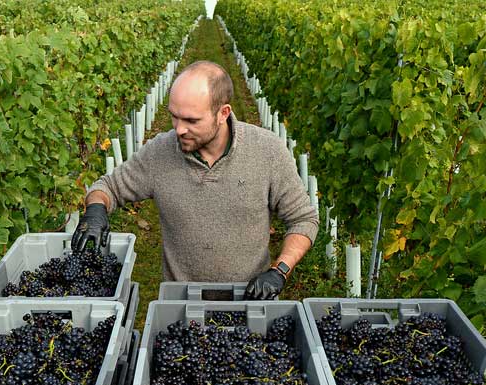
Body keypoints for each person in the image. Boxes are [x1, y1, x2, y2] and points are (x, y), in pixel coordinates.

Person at [72, 60, 319, 300]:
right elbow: (108, 188)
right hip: (181, 305)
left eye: (191, 120)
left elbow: (303, 219)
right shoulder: (160, 152)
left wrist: (279, 271)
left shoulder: (267, 151)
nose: (179, 129)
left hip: (251, 300)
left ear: (223, 113)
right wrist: (95, 209)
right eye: (174, 117)